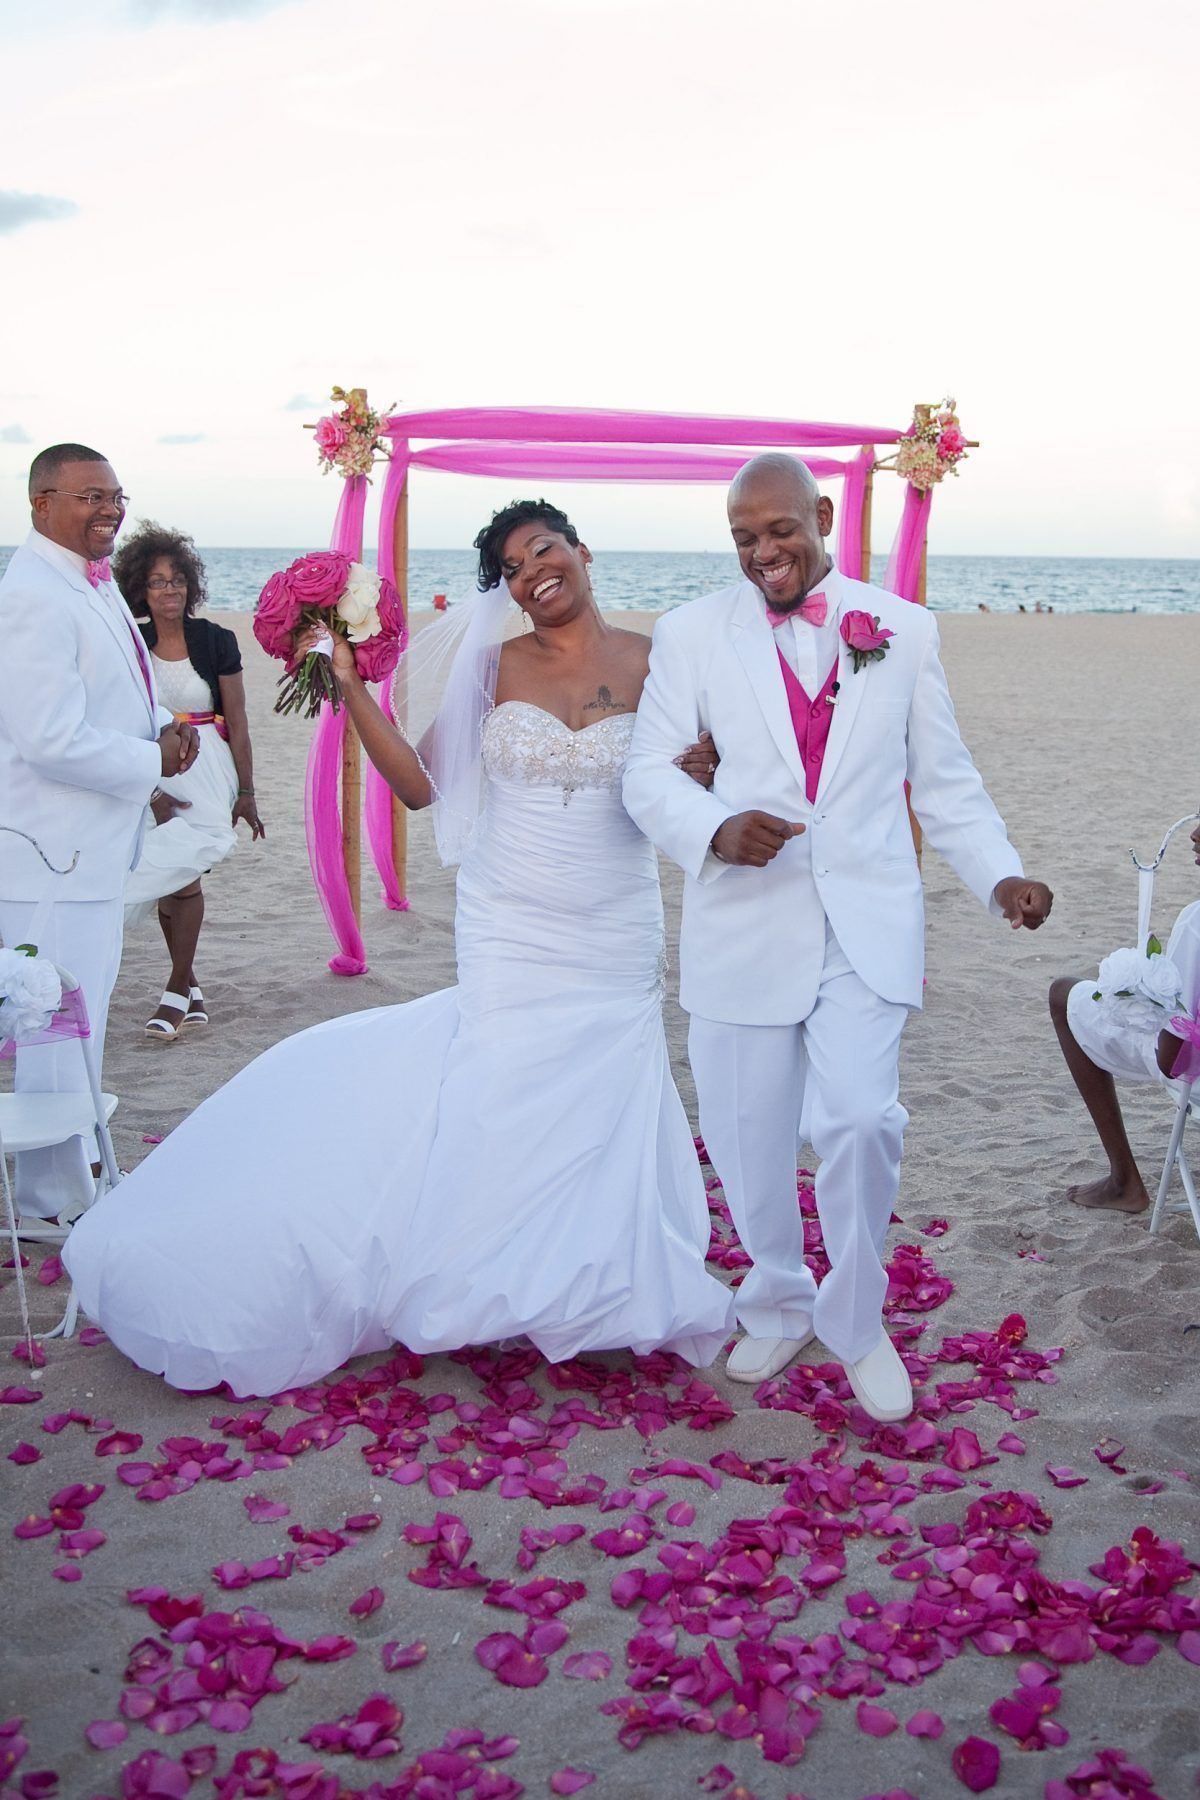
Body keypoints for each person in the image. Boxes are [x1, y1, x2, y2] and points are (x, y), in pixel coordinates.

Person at [64, 501, 735, 1396]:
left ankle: (598, 1280)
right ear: (506, 591)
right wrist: (346, 684)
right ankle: (500, 1272)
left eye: (546, 548)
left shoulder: (659, 661)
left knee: (607, 1087)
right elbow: (420, 786)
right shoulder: (494, 669)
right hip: (511, 918)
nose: (535, 568)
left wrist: (706, 769)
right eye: (512, 564)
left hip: (614, 915)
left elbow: (700, 765)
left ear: (581, 552)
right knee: (503, 1081)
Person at [622, 454, 1053, 1423]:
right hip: (745, 923)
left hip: (864, 923)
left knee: (860, 1119)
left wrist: (1001, 874)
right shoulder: (692, 635)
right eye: (744, 538)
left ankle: (858, 1322)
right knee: (746, 1134)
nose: (764, 552)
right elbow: (647, 773)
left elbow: (943, 784)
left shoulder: (902, 631)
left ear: (822, 516)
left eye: (780, 530)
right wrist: (713, 829)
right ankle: (777, 1294)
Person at [0, 445, 198, 1221]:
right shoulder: (31, 596)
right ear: (41, 502)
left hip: (90, 847)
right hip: (50, 852)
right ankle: (55, 1195)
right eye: (89, 496)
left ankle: (71, 1169)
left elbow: (120, 689)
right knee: (52, 1015)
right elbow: (48, 737)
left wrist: (162, 724)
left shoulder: (89, 582)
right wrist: (148, 759)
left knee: (77, 1012)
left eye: (115, 495)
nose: (109, 510)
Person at [116, 523, 265, 1037]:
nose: (170, 590)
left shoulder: (215, 639)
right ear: (141, 589)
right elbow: (121, 717)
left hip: (208, 770)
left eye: (177, 579)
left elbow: (239, 722)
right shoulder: (131, 641)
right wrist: (151, 791)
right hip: (152, 771)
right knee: (168, 881)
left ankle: (176, 991)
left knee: (183, 876)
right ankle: (192, 986)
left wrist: (246, 792)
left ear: (191, 585)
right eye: (157, 582)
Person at [1049, 825, 1200, 1214]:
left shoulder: (1196, 921)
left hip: (1194, 1080)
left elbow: (1172, 1059)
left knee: (1064, 994)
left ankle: (1123, 1180)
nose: (1194, 835)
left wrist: (1139, 1004)